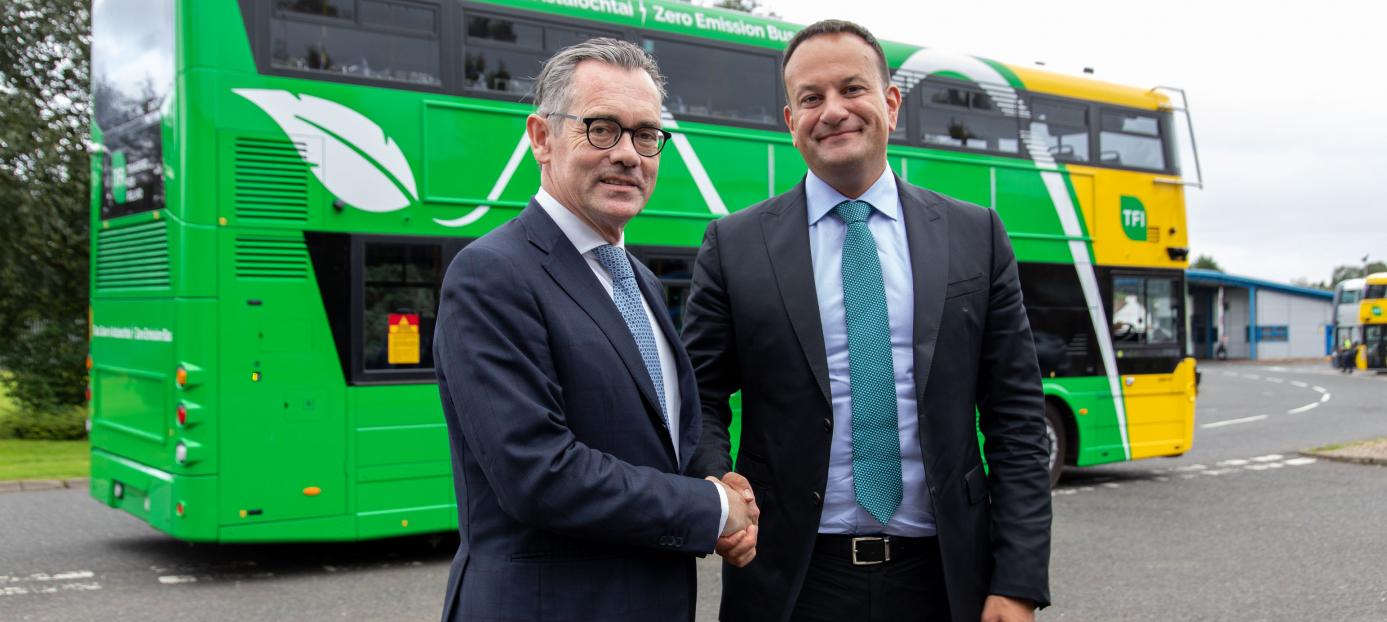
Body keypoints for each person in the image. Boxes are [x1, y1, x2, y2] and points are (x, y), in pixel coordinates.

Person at [684, 20, 1052, 622]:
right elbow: (699, 394)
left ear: (890, 103)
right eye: (810, 98)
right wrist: (716, 487)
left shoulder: (975, 236)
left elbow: (1016, 416)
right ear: (790, 121)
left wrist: (1017, 580)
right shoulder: (733, 245)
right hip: (790, 584)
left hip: (945, 580)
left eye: (852, 89)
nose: (832, 111)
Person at [432, 38, 757, 622]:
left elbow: (655, 446)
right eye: (602, 129)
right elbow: (539, 474)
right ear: (541, 137)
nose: (629, 154)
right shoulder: (491, 273)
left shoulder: (642, 282)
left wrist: (716, 485)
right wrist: (710, 507)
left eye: (646, 134)